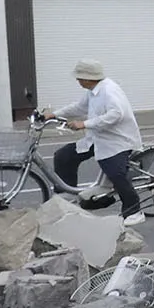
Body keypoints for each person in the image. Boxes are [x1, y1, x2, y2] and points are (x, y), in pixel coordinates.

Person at [46, 58, 145, 222]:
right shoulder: (93, 91)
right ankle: (65, 198)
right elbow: (79, 107)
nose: (77, 80)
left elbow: (116, 114)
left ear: (88, 77)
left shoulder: (109, 91)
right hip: (98, 138)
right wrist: (55, 114)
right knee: (64, 156)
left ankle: (134, 211)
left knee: (115, 173)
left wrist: (84, 124)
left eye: (79, 77)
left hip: (117, 141)